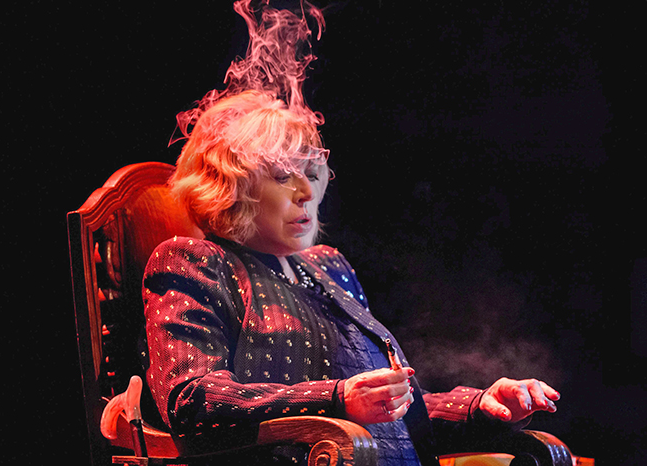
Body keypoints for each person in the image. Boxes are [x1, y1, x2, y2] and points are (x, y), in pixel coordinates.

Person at [141, 90, 560, 466]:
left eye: (311, 173)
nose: (307, 192)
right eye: (283, 176)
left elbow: (391, 412)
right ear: (229, 186)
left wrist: (481, 406)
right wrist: (336, 399)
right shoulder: (193, 261)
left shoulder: (329, 267)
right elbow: (191, 400)